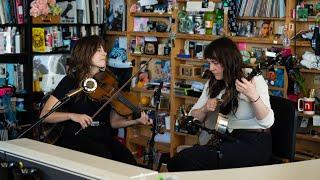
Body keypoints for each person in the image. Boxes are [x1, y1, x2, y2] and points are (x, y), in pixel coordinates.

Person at [40, 35, 152, 165]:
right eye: (98, 50)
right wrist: (72, 115)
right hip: (78, 137)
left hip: (104, 136)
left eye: (104, 50)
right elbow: (45, 115)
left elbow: (114, 122)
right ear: (85, 53)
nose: (104, 53)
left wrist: (135, 120)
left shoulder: (110, 82)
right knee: (104, 159)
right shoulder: (71, 81)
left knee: (130, 163)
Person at [167, 37, 274, 171]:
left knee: (186, 160)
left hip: (254, 143)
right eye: (209, 63)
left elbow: (267, 121)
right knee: (178, 161)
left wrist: (253, 96)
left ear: (228, 61)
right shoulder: (213, 83)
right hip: (228, 138)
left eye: (215, 63)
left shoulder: (253, 79)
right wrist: (206, 108)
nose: (211, 68)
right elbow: (194, 116)